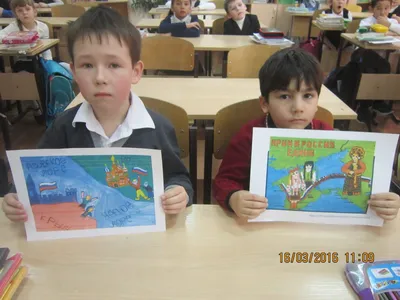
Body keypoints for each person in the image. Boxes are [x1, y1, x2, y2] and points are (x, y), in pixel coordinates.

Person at [1, 6, 194, 222]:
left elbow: (177, 176)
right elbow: (35, 175)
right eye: (87, 65)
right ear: (73, 72)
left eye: (113, 64)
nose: (100, 77)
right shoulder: (63, 126)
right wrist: (16, 195)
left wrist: (178, 192)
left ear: (135, 72)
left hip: (138, 237)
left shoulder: (158, 128)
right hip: (81, 235)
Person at [212, 48, 400, 221]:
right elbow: (224, 181)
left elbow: (369, 187)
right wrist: (233, 198)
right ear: (264, 103)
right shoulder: (249, 137)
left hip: (319, 225)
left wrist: (388, 202)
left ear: (318, 100)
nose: (298, 108)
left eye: (308, 96)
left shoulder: (327, 135)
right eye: (284, 96)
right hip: (261, 223)